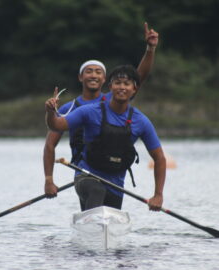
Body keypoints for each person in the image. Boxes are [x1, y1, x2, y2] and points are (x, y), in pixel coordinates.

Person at [44, 22, 159, 198]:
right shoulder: (69, 109)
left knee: (105, 202)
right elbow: (50, 144)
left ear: (105, 80)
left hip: (112, 173)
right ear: (80, 77)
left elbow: (138, 77)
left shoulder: (113, 99)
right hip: (83, 172)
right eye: (89, 71)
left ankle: (97, 221)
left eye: (98, 72)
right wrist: (49, 179)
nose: (93, 75)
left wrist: (150, 49)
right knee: (94, 191)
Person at [45, 64, 166, 211]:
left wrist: (158, 195)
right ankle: (92, 226)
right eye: (117, 83)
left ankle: (91, 228)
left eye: (127, 84)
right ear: (110, 87)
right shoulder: (88, 111)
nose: (122, 87)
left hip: (116, 183)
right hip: (86, 175)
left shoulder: (141, 121)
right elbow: (56, 125)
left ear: (134, 89)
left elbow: (159, 158)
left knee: (109, 211)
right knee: (96, 191)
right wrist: (51, 112)